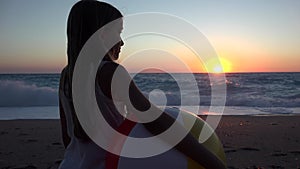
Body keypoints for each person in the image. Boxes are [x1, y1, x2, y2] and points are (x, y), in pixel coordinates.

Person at [58, 1, 226, 169]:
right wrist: (212, 162)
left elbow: (68, 137)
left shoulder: (67, 75)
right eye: (118, 32)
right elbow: (154, 120)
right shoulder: (111, 72)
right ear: (102, 35)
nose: (122, 42)